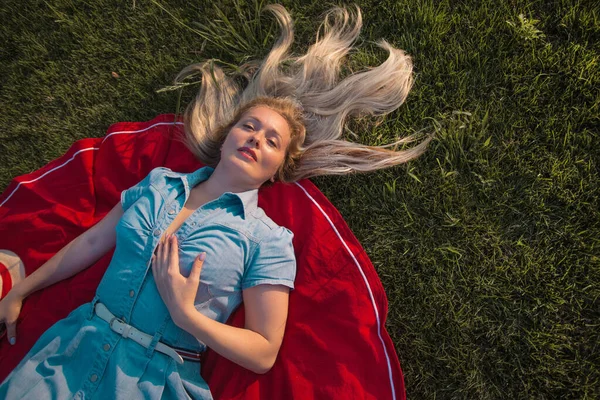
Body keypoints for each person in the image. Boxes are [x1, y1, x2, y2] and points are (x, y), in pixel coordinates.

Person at [0, 4, 431, 399]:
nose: (256, 139)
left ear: (278, 168)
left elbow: (263, 351)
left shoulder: (268, 240)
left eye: (272, 140)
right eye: (249, 126)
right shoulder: (158, 184)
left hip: (157, 377)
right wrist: (23, 289)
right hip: (72, 346)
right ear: (228, 136)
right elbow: (92, 243)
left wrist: (187, 315)